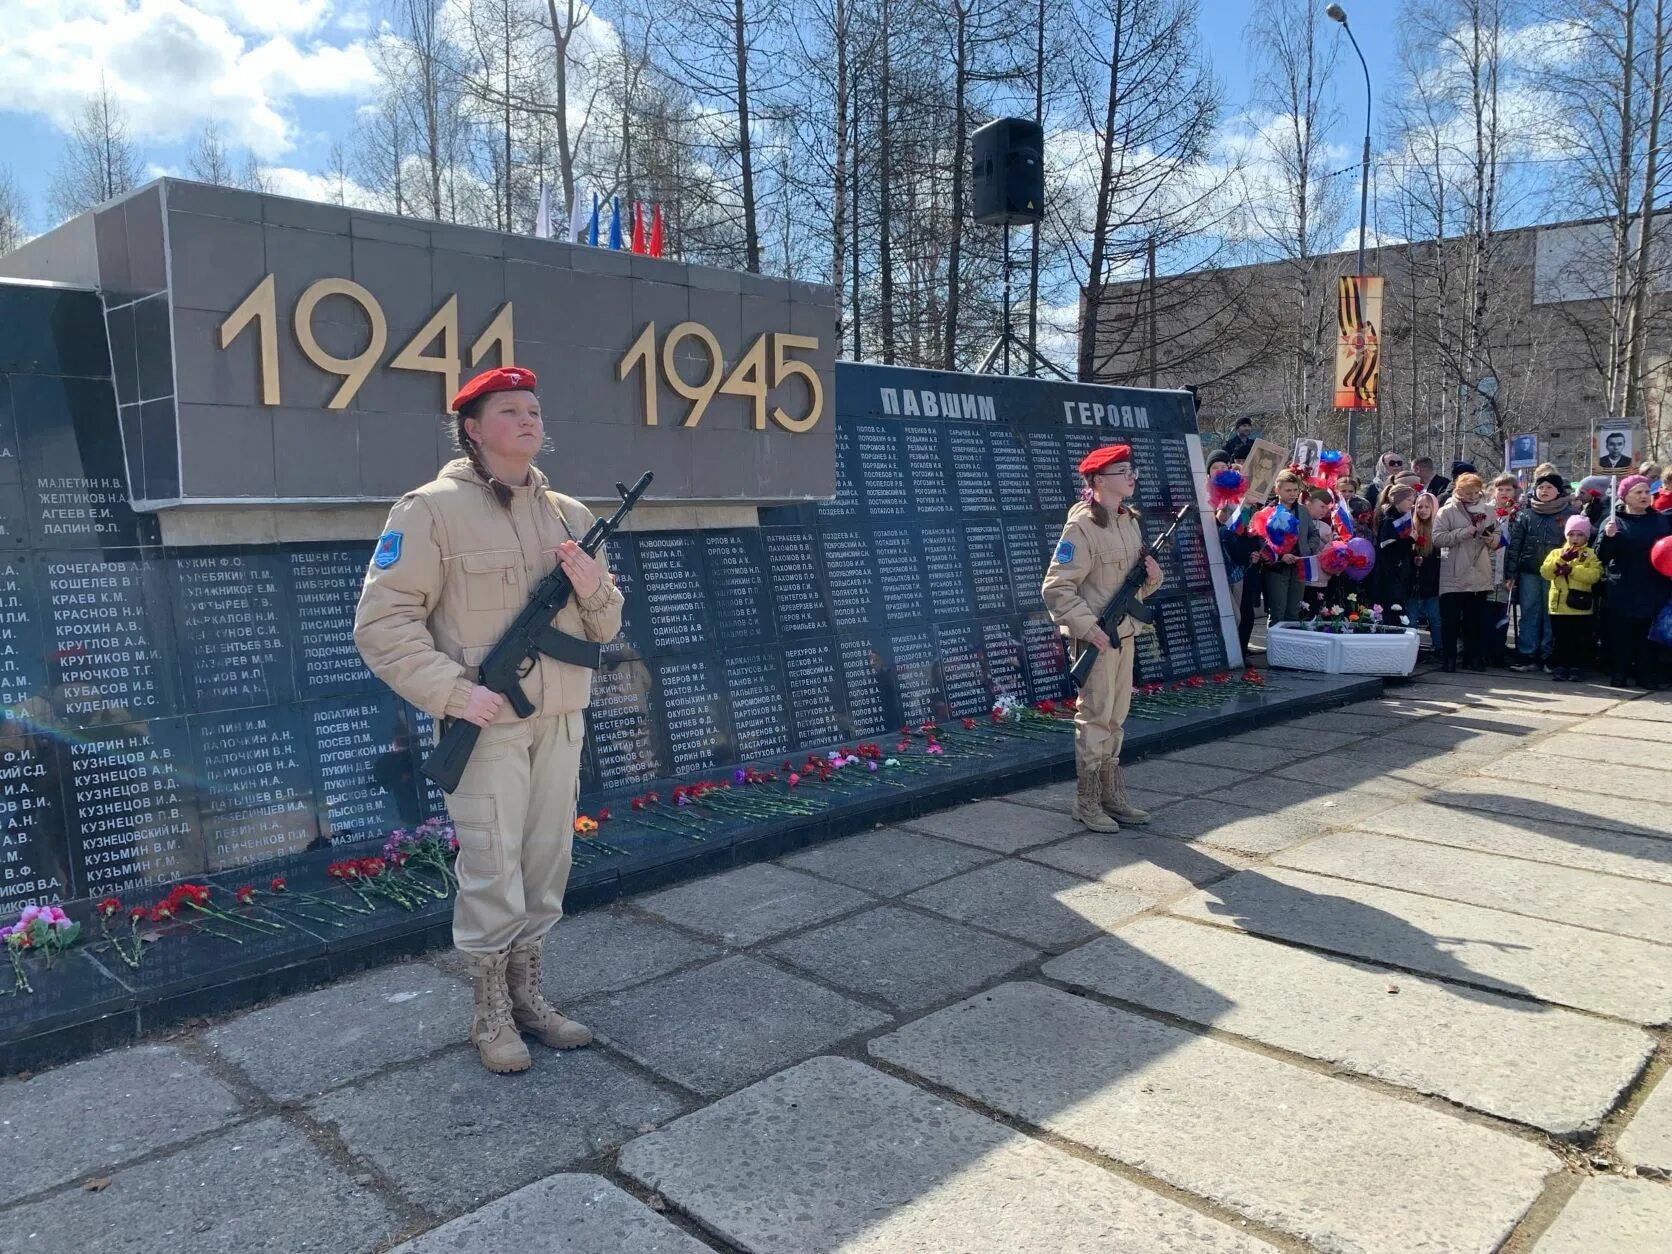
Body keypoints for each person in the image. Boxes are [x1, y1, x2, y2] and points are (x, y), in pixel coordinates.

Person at [354, 365, 625, 1075]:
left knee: (544, 864)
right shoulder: (429, 510)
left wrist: (596, 591)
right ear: (473, 429)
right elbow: (383, 623)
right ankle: (490, 1012)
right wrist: (452, 693)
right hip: (487, 723)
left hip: (560, 717)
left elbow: (604, 625)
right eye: (511, 411)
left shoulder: (572, 515)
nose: (529, 420)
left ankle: (530, 995)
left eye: (534, 409)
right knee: (492, 865)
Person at [1042, 444, 1164, 833]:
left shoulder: (1129, 521)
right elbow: (1057, 587)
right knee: (1094, 718)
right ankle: (1087, 801)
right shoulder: (1081, 528)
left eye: (1132, 470)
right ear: (1098, 480)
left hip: (1124, 633)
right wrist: (1086, 627)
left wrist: (1152, 575)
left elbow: (1136, 589)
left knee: (1115, 718)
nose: (1132, 477)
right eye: (1123, 471)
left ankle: (1112, 795)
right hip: (1097, 637)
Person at [1598, 475, 1672, 689]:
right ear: (1625, 496)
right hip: (1623, 586)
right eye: (1638, 492)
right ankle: (1619, 673)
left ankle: (1646, 675)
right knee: (1622, 634)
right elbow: (1601, 555)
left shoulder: (1660, 520)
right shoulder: (1614, 521)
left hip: (1653, 585)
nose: (1644, 496)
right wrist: (1608, 537)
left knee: (1648, 635)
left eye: (1646, 492)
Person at [1505, 471, 1572, 672]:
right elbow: (1515, 545)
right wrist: (1511, 574)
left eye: (1549, 487)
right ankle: (1527, 654)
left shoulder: (1568, 515)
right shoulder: (1526, 514)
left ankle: (1548, 654)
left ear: (1558, 491)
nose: (1544, 491)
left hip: (1556, 573)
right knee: (1529, 612)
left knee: (1551, 613)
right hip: (1529, 571)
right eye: (1541, 487)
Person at [1434, 472, 1499, 671]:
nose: (1472, 497)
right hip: (1453, 572)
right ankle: (1449, 658)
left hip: (1479, 571)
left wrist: (1491, 539)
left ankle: (1473, 658)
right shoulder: (1446, 511)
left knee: (1475, 620)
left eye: (1475, 493)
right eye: (1467, 493)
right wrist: (1464, 532)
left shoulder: (1488, 510)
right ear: (1458, 490)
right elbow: (1437, 539)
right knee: (1451, 621)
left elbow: (1498, 536)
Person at [1541, 516, 1604, 682]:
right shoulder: (1556, 553)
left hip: (1580, 606)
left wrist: (1573, 570)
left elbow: (1595, 575)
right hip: (1559, 606)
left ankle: (1576, 667)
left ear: (1586, 537)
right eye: (1571, 534)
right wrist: (1561, 560)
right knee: (1561, 638)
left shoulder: (1590, 554)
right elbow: (1545, 572)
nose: (1575, 538)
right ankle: (1561, 666)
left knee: (1579, 639)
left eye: (1580, 535)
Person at [1372, 483, 1418, 619]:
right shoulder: (1390, 520)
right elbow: (1388, 549)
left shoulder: (1399, 517)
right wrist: (1409, 540)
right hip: (1389, 577)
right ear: (1398, 499)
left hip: (1399, 575)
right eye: (1409, 500)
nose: (1412, 504)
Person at [1408, 491, 1444, 654]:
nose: (1422, 510)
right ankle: (1410, 649)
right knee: (1411, 617)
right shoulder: (1412, 527)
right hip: (1414, 583)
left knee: (1435, 617)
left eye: (1426, 507)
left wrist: (1427, 562)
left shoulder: (1438, 527)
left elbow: (1442, 557)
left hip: (1433, 582)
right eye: (1419, 506)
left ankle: (1439, 647)